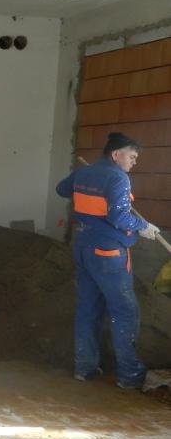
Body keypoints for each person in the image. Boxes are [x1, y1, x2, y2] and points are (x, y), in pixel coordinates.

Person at [56, 132, 159, 390]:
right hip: (109, 255)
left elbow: (61, 189)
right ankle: (129, 376)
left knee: (88, 309)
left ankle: (84, 368)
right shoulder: (118, 178)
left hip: (83, 249)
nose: (134, 162)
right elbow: (119, 217)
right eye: (131, 156)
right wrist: (144, 226)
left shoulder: (84, 173)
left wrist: (86, 181)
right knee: (125, 312)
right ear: (116, 154)